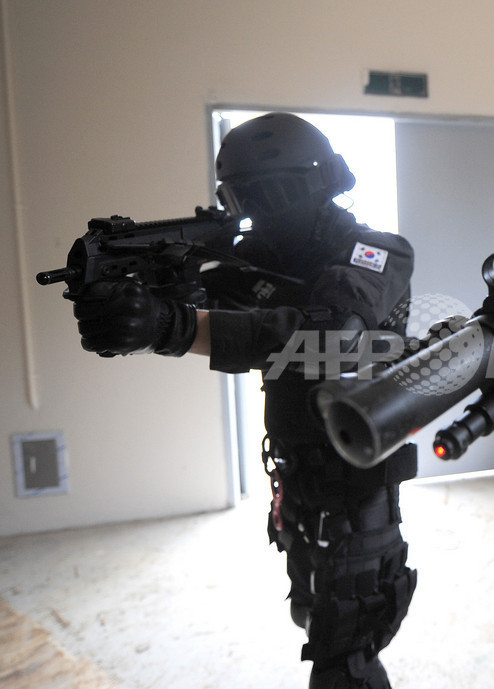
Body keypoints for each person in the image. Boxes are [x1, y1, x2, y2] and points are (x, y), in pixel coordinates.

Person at [71, 112, 417, 689]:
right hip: (294, 474)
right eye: (246, 197)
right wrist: (132, 302)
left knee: (346, 653)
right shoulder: (247, 259)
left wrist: (173, 326)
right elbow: (196, 306)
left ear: (325, 181)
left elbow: (332, 338)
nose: (265, 210)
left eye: (279, 192)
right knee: (310, 613)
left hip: (358, 478)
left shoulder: (376, 250)